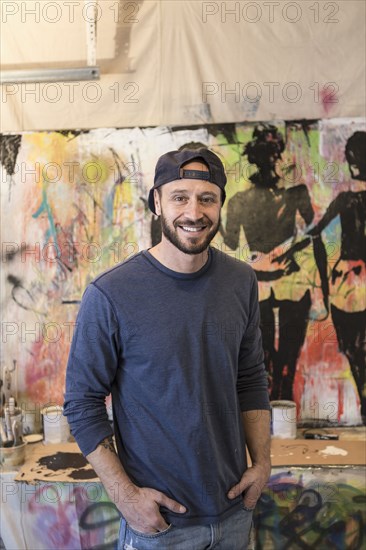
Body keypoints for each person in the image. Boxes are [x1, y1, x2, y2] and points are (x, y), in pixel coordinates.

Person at [64, 148, 271, 550]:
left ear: (220, 204)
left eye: (207, 198)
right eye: (179, 197)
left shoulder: (241, 281)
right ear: (157, 202)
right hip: (159, 525)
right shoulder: (111, 294)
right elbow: (82, 402)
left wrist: (261, 464)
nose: (194, 212)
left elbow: (250, 379)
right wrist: (126, 497)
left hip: (234, 515)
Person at [221, 124, 328, 401]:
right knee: (263, 358)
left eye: (274, 151)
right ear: (254, 156)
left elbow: (313, 233)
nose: (271, 157)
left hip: (291, 281)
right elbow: (231, 245)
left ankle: (282, 412)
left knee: (287, 358)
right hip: (258, 283)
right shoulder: (238, 201)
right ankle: (268, 417)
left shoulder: (296, 193)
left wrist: (318, 290)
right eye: (265, 151)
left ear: (279, 154)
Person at [308, 131, 366, 424]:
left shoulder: (345, 200)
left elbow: (314, 234)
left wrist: (325, 280)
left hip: (349, 283)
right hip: (350, 281)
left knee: (353, 349)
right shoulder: (344, 200)